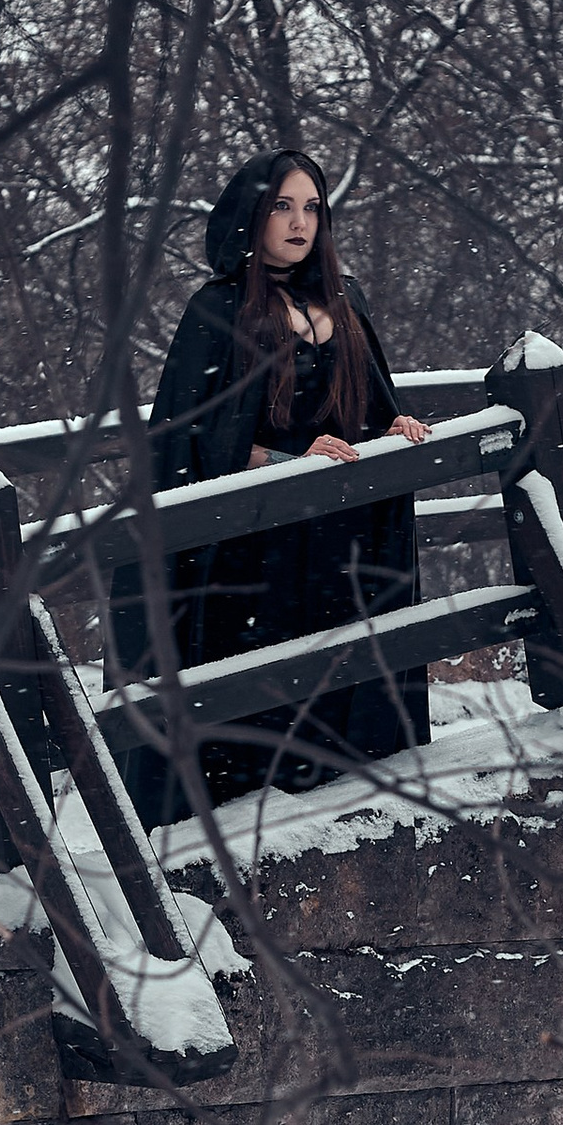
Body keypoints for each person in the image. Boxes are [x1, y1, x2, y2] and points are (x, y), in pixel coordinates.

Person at [113, 150, 430, 822]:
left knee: (343, 667)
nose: (299, 223)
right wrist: (287, 458)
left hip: (340, 533)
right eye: (282, 207)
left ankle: (347, 789)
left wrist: (392, 423)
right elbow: (190, 439)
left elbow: (366, 404)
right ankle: (253, 809)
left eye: (311, 208)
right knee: (265, 679)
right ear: (252, 216)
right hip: (258, 543)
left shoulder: (345, 300)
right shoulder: (218, 310)